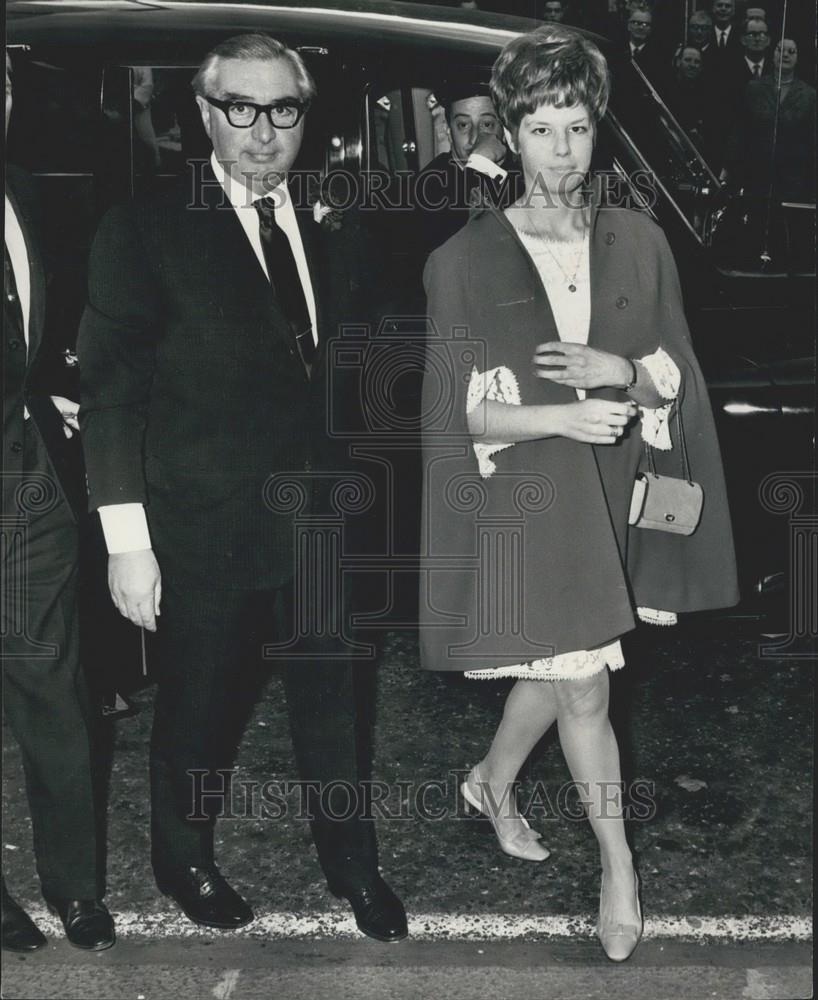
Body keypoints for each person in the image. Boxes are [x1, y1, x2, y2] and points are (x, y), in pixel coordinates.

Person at [419, 25, 739, 963]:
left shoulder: (638, 240)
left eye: (580, 127)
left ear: (599, 130)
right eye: (545, 129)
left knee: (558, 663)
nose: (564, 151)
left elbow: (676, 376)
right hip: (531, 499)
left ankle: (488, 780)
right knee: (586, 687)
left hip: (616, 493)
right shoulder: (465, 261)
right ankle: (618, 867)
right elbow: (452, 422)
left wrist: (623, 373)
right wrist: (559, 417)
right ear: (509, 135)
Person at [77, 33, 407, 942]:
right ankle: (184, 861)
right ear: (204, 113)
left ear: (307, 116)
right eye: (242, 109)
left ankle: (353, 865)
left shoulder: (342, 215)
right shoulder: (145, 225)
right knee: (199, 711)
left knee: (336, 705)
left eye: (284, 110)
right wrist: (128, 545)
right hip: (203, 525)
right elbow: (112, 396)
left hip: (324, 520)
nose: (264, 132)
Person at [2, 52, 115, 953]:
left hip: (28, 479)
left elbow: (35, 322)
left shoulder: (27, 192)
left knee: (53, 682)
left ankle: (76, 887)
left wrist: (46, 393)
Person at [411, 84, 521, 260]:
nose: (474, 137)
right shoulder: (426, 186)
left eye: (487, 124)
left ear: (503, 131)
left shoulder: (521, 179)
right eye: (463, 125)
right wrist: (480, 163)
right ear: (448, 132)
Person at [723, 38, 816, 201]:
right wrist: (728, 167)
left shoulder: (809, 95)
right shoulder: (754, 88)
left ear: (798, 58)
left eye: (791, 51)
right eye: (780, 50)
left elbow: (813, 138)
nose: (785, 54)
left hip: (793, 176)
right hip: (756, 172)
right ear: (772, 55)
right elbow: (740, 130)